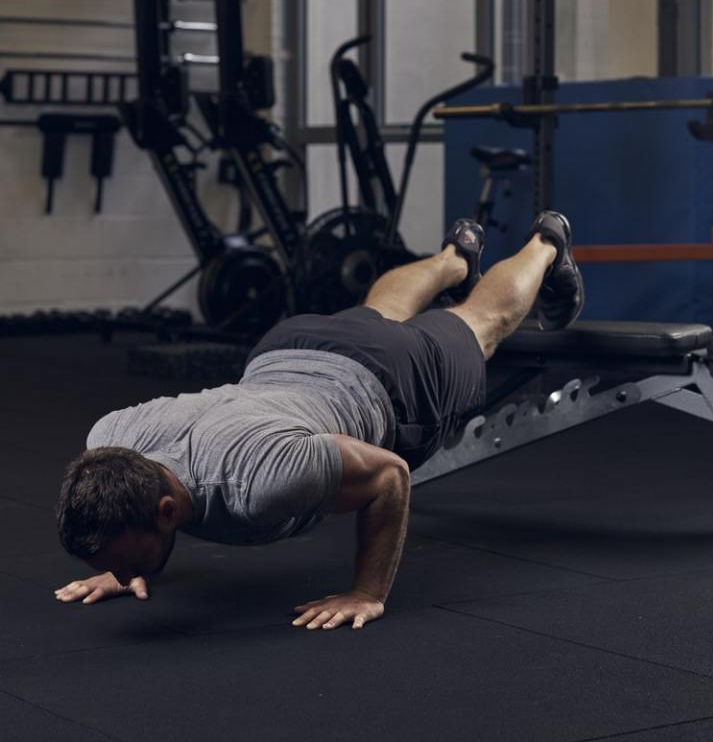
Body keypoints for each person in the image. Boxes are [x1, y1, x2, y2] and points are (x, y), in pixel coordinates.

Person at [55, 211, 584, 631]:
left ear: (167, 510)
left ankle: (546, 242)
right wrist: (121, 565)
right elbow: (121, 507)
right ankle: (453, 259)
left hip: (390, 379)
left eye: (128, 560)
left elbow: (391, 475)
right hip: (285, 346)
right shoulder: (109, 439)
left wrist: (367, 591)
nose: (122, 572)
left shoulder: (260, 481)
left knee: (480, 322)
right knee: (379, 313)